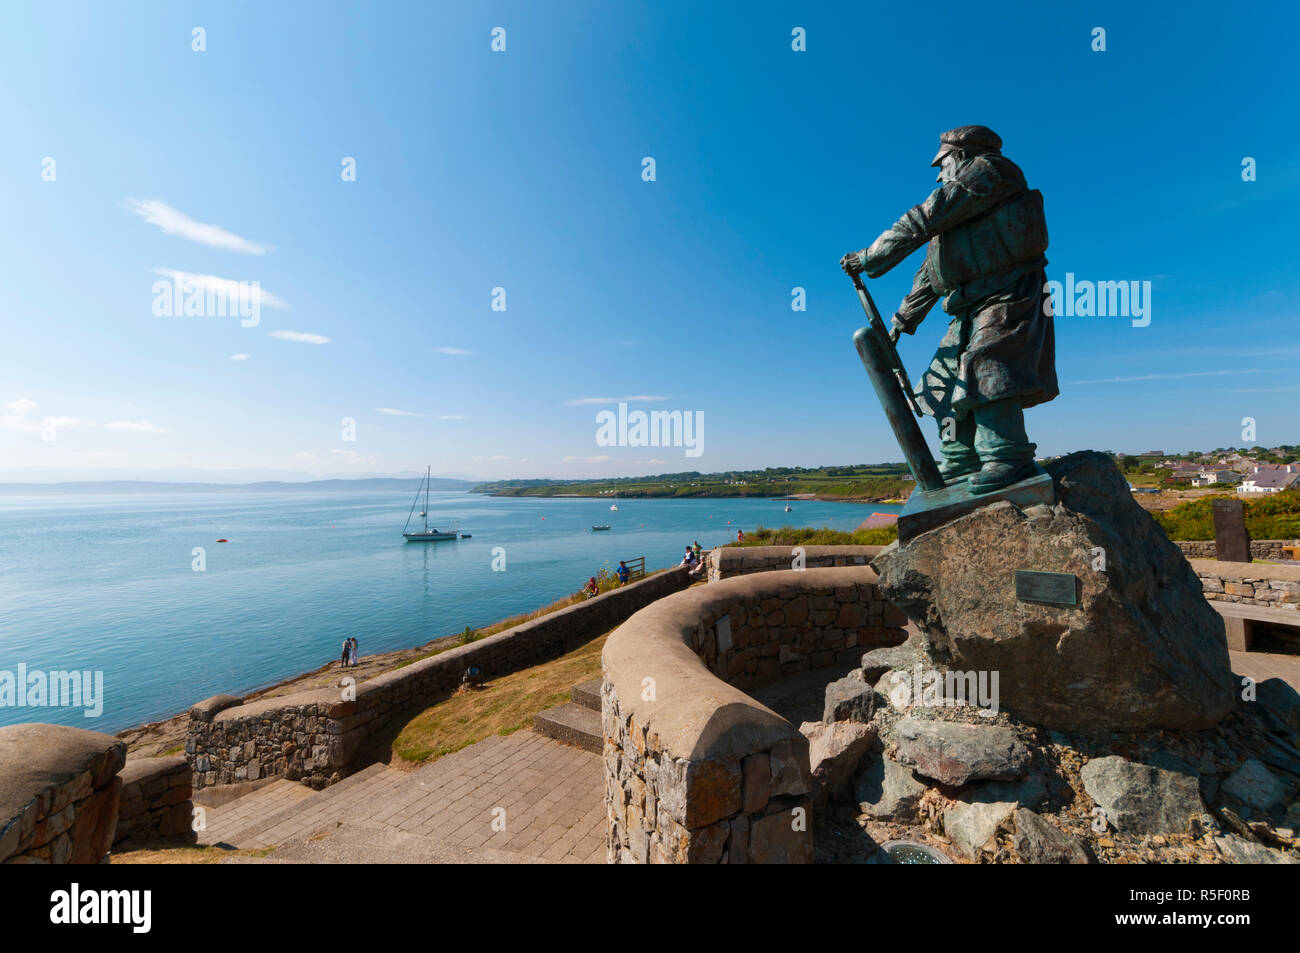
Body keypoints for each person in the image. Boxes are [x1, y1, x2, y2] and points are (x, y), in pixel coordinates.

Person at [841, 125, 1056, 495]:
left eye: (942, 164)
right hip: (967, 304)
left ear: (962, 155)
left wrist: (869, 257)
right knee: (940, 380)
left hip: (1008, 294)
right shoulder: (959, 212)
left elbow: (922, 219)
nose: (940, 174)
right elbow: (930, 274)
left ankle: (1008, 456)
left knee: (986, 364)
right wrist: (899, 323)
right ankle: (960, 456)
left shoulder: (989, 171)